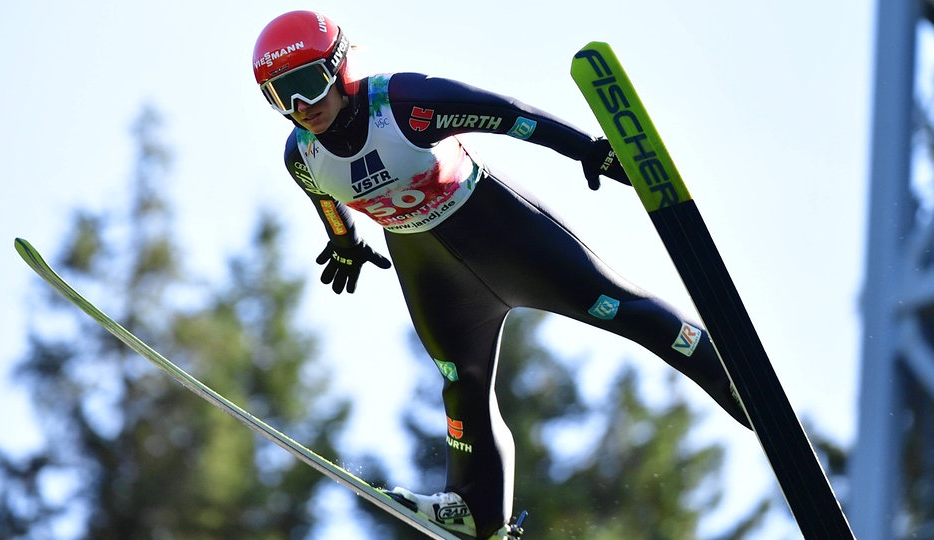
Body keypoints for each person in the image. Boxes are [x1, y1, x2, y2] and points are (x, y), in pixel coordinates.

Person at [252, 11, 750, 540]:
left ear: (341, 66)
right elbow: (327, 200)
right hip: (431, 271)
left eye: (308, 83)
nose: (301, 107)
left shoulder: (404, 105)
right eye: (281, 96)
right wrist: (345, 244)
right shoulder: (301, 155)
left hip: (502, 234)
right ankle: (479, 514)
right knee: (461, 385)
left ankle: (739, 383)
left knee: (620, 309)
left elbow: (509, 115)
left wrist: (586, 148)